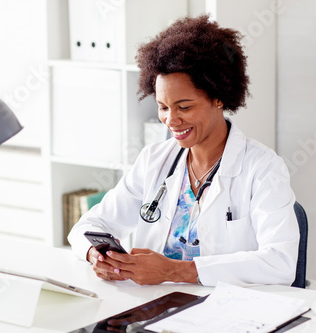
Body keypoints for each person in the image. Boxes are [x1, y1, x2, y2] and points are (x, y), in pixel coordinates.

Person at [68, 15, 299, 287]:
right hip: (153, 306)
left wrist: (174, 271)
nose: (171, 120)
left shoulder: (263, 168)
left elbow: (280, 263)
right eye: (163, 107)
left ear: (218, 97)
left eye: (184, 107)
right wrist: (96, 254)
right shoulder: (154, 160)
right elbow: (89, 226)